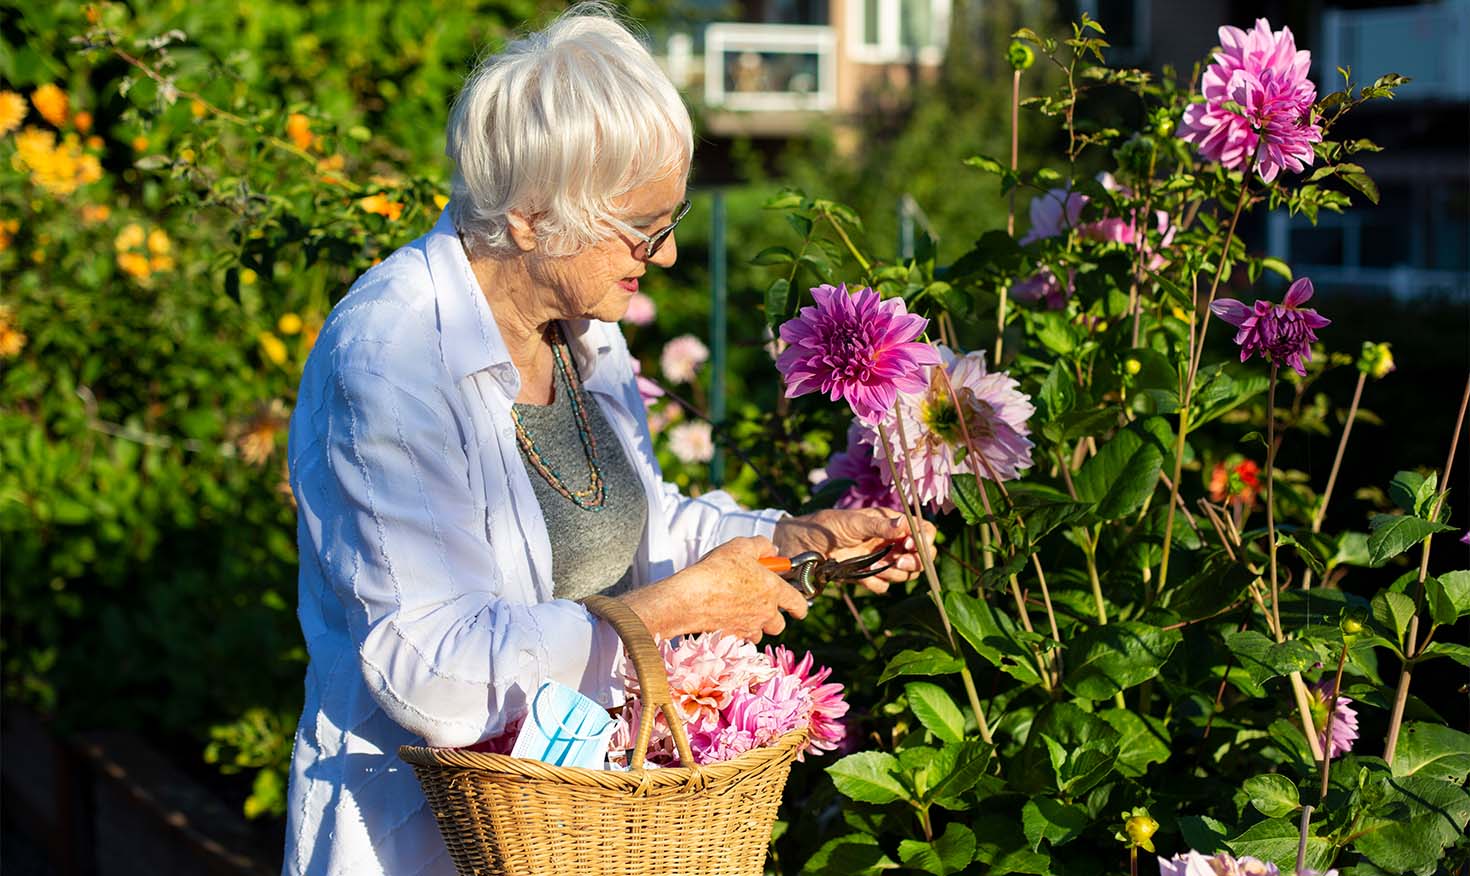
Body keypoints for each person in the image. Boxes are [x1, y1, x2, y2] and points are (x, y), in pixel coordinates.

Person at [280, 5, 932, 874]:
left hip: (579, 832)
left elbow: (632, 523)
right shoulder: (393, 354)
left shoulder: (578, 328)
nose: (663, 257)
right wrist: (672, 613)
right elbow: (426, 671)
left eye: (671, 218)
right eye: (640, 228)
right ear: (527, 217)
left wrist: (786, 541)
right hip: (429, 842)